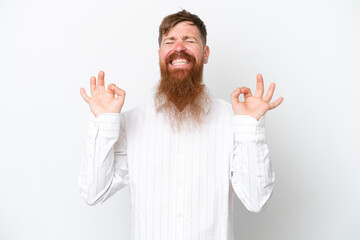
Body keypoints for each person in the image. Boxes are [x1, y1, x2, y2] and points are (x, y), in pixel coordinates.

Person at [79, 9, 283, 240]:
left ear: (205, 53)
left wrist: (249, 126)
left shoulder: (232, 121)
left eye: (189, 40)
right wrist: (104, 121)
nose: (179, 47)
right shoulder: (132, 122)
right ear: (159, 54)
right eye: (170, 41)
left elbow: (257, 201)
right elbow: (93, 193)